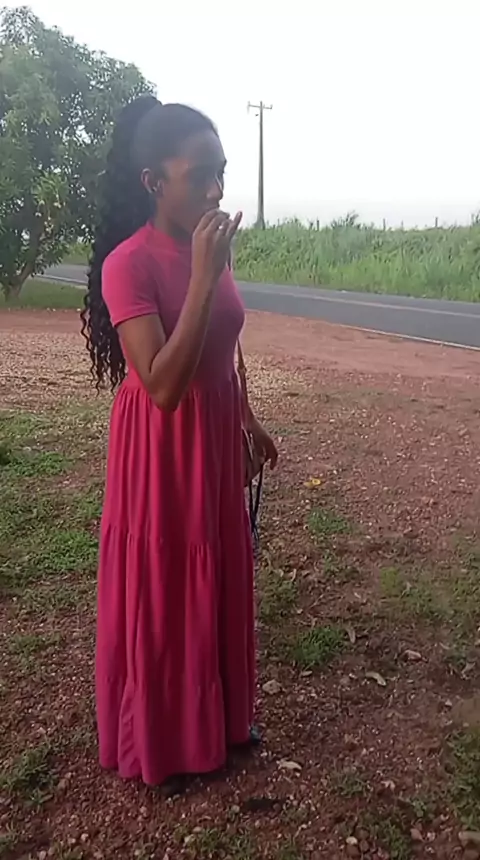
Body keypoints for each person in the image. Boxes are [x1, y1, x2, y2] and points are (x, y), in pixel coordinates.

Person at [81, 95, 278, 790]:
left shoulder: (208, 244)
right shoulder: (128, 265)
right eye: (200, 176)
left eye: (221, 171)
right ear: (153, 182)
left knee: (217, 572)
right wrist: (201, 274)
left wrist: (247, 418)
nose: (216, 190)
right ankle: (164, 744)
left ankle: (222, 723)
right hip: (162, 449)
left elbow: (222, 341)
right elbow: (163, 385)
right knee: (168, 587)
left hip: (215, 435)